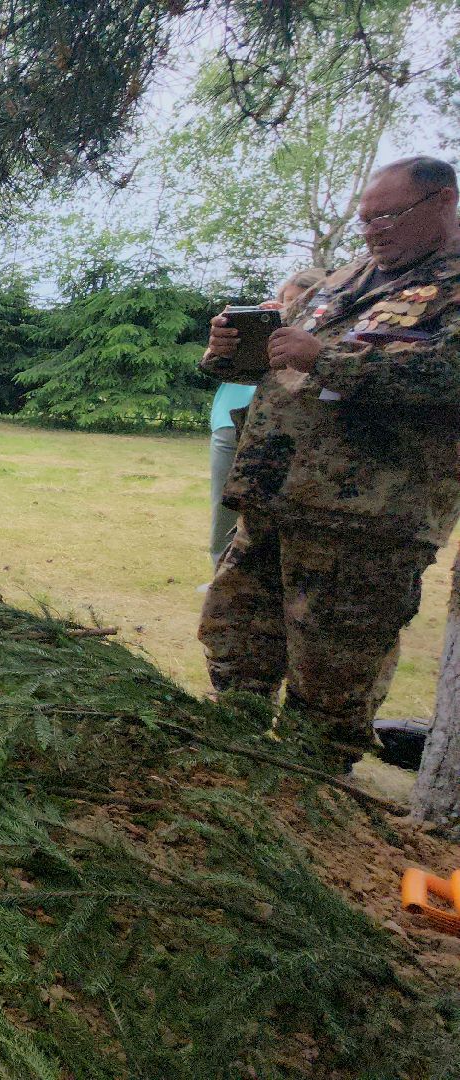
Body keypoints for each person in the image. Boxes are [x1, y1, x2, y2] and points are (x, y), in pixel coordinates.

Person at [199, 155, 460, 767]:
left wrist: (329, 360)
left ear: (444, 202)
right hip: (272, 499)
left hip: (366, 523)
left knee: (331, 682)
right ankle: (230, 772)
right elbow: (279, 357)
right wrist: (228, 353)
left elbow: (449, 374)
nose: (373, 231)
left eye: (388, 216)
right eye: (366, 220)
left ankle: (311, 800)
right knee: (235, 645)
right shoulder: (346, 278)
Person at [203, 266, 326, 572]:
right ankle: (221, 571)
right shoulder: (261, 328)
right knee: (225, 504)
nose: (288, 310)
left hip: (300, 433)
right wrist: (226, 344)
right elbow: (215, 367)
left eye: (297, 304)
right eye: (284, 301)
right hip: (234, 423)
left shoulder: (324, 342)